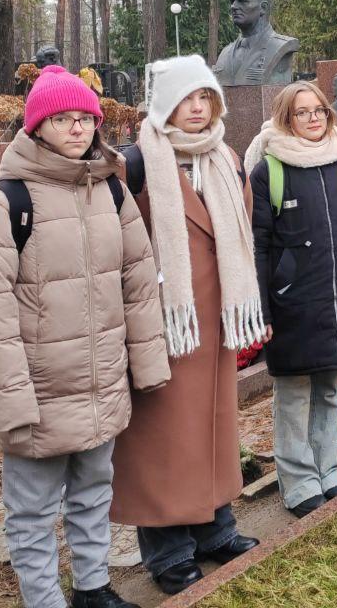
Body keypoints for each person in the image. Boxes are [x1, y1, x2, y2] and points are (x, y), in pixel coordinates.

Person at [0, 65, 170, 608]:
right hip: (40, 391)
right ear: (37, 127)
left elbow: (139, 282)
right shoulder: (7, 205)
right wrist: (11, 401)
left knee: (93, 493)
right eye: (63, 118)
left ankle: (93, 586)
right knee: (32, 510)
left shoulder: (112, 192)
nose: (78, 129)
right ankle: (43, 599)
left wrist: (146, 367)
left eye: (85, 118)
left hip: (101, 379)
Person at [109, 56, 266, 595]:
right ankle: (167, 549)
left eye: (206, 98)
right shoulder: (136, 163)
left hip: (216, 320)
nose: (198, 109)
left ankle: (213, 528)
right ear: (165, 103)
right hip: (166, 322)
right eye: (187, 98)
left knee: (213, 424)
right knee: (161, 438)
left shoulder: (225, 157)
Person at [246, 82, 337, 518]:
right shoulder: (269, 170)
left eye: (319, 111)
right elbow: (259, 246)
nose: (313, 119)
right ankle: (299, 478)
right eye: (302, 113)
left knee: (328, 386)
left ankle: (329, 465)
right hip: (293, 300)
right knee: (293, 392)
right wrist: (262, 310)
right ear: (287, 118)